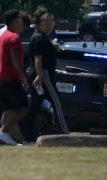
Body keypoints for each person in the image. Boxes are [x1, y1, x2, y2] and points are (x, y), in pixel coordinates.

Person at [21, 7, 69, 140]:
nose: (49, 25)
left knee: (35, 106)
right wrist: (39, 77)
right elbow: (38, 58)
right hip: (44, 74)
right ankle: (65, 133)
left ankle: (26, 134)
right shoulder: (39, 38)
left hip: (42, 75)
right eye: (46, 23)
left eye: (51, 22)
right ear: (38, 24)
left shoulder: (44, 38)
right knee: (57, 103)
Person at [0, 12, 31, 146]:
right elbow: (15, 59)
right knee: (23, 108)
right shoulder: (13, 37)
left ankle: (2, 139)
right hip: (9, 77)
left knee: (7, 111)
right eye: (19, 20)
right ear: (12, 21)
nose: (21, 23)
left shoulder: (2, 36)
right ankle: (3, 131)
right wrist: (23, 76)